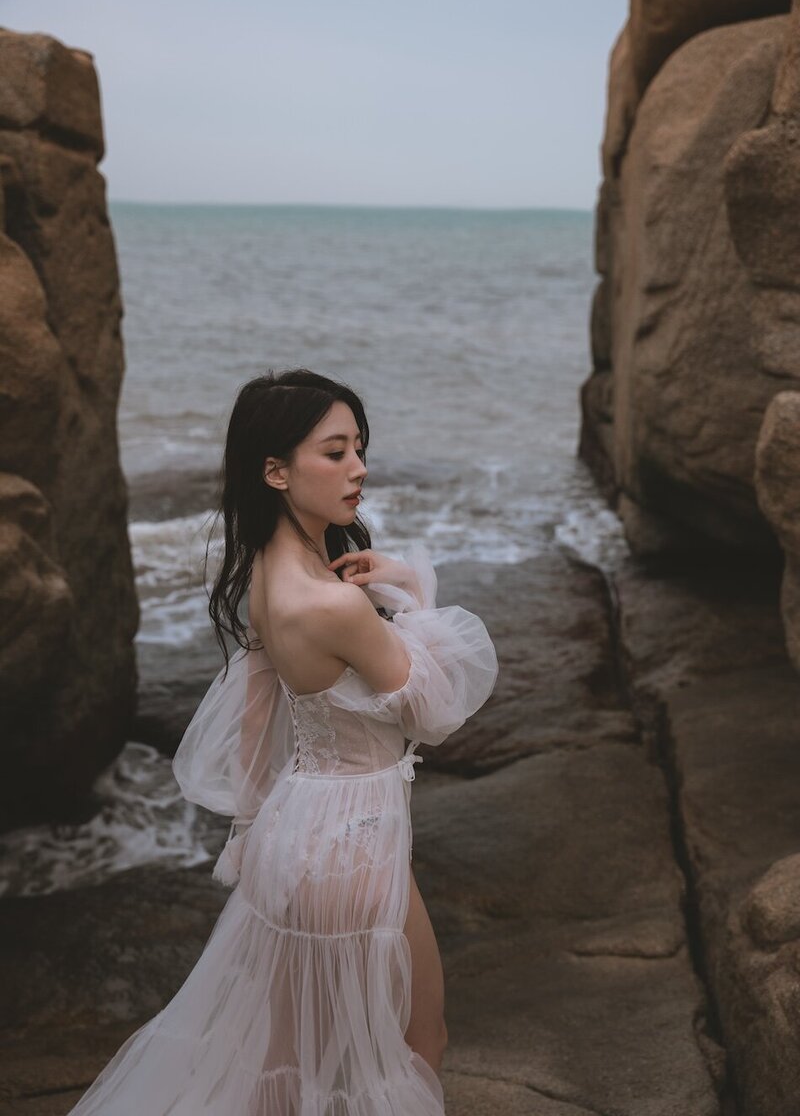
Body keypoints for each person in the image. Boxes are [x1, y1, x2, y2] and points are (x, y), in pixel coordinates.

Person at [67, 367, 499, 1115]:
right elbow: (434, 708)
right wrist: (413, 587)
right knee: (410, 1049)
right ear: (275, 470)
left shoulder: (266, 576)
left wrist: (246, 829)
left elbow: (257, 711)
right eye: (334, 452)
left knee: (284, 1068)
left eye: (359, 447)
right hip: (353, 854)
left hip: (296, 842)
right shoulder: (333, 604)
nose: (358, 468)